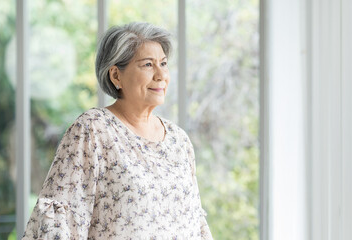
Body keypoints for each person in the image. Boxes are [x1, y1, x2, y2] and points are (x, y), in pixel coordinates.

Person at [23, 22, 213, 239]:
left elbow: (197, 225)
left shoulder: (179, 140)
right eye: (148, 65)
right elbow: (60, 224)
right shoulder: (92, 130)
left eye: (163, 63)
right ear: (116, 76)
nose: (161, 75)